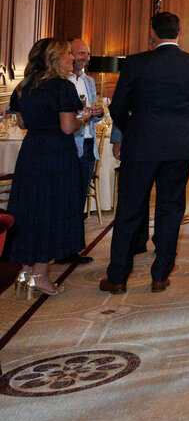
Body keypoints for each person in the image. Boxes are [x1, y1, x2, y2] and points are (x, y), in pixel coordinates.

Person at [102, 12, 189, 295]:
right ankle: (160, 275)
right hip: (178, 147)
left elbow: (116, 107)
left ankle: (117, 277)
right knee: (171, 208)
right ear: (180, 31)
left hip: (140, 146)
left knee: (129, 208)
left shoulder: (136, 63)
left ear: (152, 33)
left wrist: (133, 128)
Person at [8, 38, 101, 297]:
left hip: (31, 153)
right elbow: (68, 127)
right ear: (55, 59)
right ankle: (40, 274)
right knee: (52, 210)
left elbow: (24, 123)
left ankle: (25, 271)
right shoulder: (62, 87)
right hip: (57, 155)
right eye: (68, 54)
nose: (72, 58)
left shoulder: (23, 87)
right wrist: (84, 117)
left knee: (31, 209)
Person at [61, 37, 98, 265]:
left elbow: (91, 113)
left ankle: (73, 248)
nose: (84, 58)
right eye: (80, 53)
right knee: (65, 197)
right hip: (67, 145)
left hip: (87, 144)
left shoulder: (90, 81)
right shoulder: (60, 82)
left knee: (79, 199)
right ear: (69, 54)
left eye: (87, 54)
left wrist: (98, 112)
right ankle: (61, 247)